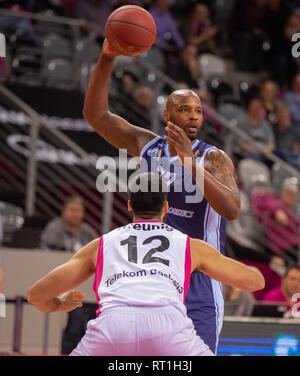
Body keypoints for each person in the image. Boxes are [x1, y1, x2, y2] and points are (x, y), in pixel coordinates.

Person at [81, 39, 241, 354]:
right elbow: (96, 115)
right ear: (167, 114)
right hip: (153, 279)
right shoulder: (146, 145)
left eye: (198, 110)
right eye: (184, 110)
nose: (194, 116)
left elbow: (232, 210)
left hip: (199, 282)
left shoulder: (213, 158)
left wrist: (189, 164)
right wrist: (106, 57)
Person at [27, 172, 265, 356]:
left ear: (129, 205)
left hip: (113, 326)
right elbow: (254, 282)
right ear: (165, 208)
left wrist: (58, 304)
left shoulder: (101, 244)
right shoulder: (189, 246)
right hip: (168, 326)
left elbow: (35, 295)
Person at [40, 195, 98, 354]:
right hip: (63, 284)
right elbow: (45, 252)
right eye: (72, 210)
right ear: (63, 211)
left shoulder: (87, 231)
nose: (75, 214)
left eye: (79, 211)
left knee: (89, 324)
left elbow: (97, 253)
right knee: (73, 326)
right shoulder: (54, 228)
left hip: (87, 286)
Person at [252, 177, 300, 263]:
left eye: (293, 195)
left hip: (294, 246)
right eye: (288, 193)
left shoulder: (291, 213)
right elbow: (256, 195)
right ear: (282, 192)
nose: (290, 197)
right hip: (282, 248)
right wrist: (277, 210)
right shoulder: (274, 201)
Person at [238, 96, 276, 162]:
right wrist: (258, 151)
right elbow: (242, 145)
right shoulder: (241, 123)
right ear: (248, 107)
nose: (256, 109)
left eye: (259, 107)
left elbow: (271, 143)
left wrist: (265, 151)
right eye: (254, 107)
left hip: (265, 153)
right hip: (250, 153)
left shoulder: (265, 124)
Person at [273, 103, 300, 169]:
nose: (283, 117)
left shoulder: (294, 130)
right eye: (281, 115)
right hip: (278, 156)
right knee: (281, 151)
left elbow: (296, 149)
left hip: (291, 157)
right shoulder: (272, 129)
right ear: (277, 116)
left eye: (285, 115)